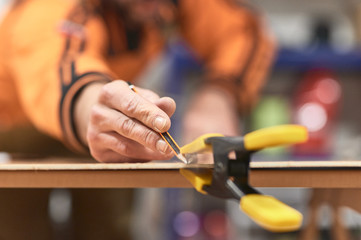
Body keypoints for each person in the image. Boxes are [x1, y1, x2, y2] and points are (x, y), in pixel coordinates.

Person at [0, 0, 275, 163]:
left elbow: (240, 32)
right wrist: (96, 106)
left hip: (104, 118)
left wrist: (219, 95)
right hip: (19, 122)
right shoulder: (50, 8)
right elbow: (53, 65)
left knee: (110, 224)